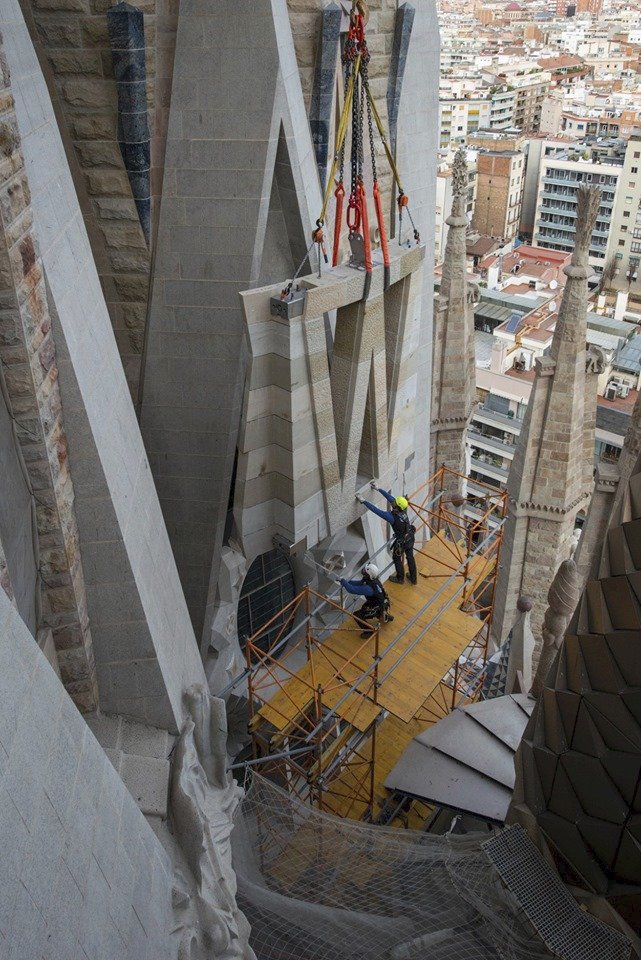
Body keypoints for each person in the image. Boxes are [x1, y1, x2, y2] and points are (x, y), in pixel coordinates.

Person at [356, 482, 417, 585]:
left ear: (397, 506)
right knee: (410, 557)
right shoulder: (403, 509)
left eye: (395, 502)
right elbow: (390, 498)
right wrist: (378, 488)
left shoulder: (392, 517)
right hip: (410, 537)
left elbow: (376, 510)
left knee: (397, 558)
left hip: (402, 541)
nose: (392, 501)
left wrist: (363, 501)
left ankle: (400, 578)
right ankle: (413, 579)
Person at [338, 562, 393, 637]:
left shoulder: (368, 589)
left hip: (376, 606)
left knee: (357, 615)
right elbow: (358, 583)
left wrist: (343, 581)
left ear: (368, 575)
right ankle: (383, 614)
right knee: (364, 608)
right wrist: (347, 582)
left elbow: (352, 589)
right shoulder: (373, 581)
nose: (363, 571)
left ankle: (369, 631)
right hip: (380, 603)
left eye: (365, 571)